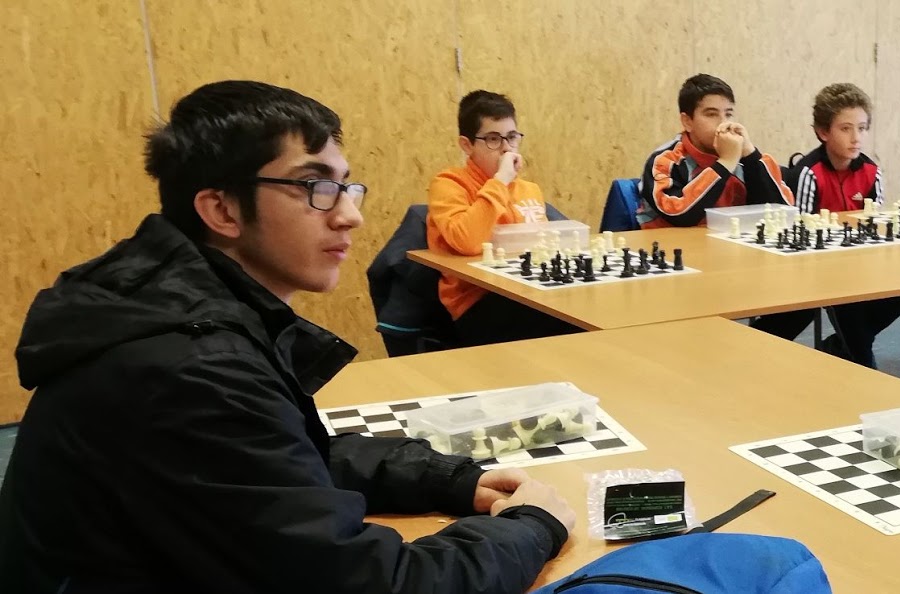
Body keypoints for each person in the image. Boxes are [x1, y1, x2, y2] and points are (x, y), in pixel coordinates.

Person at [0, 81, 576, 593]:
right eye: (313, 186)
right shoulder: (191, 368)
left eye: (346, 187)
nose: (349, 215)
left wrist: (455, 479)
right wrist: (532, 526)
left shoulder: (181, 306)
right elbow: (367, 582)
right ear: (222, 209)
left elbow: (282, 459)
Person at [755, 83, 900, 368]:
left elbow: (874, 226)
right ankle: (859, 359)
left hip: (860, 266)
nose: (856, 138)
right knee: (848, 308)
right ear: (823, 132)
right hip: (819, 271)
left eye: (862, 128)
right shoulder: (810, 173)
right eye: (846, 129)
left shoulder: (871, 172)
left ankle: (845, 344)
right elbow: (801, 232)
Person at [428, 90, 581, 347]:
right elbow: (467, 240)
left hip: (531, 292)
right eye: (493, 139)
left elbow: (540, 250)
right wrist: (500, 181)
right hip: (478, 303)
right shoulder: (449, 185)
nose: (507, 148)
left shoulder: (529, 190)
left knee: (583, 312)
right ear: (467, 145)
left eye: (511, 137)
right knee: (569, 325)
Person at [636, 73, 795, 229]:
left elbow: (782, 212)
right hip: (672, 243)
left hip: (729, 242)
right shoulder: (665, 161)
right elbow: (679, 214)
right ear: (687, 121)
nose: (723, 123)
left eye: (728, 114)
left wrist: (751, 157)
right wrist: (725, 163)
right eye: (711, 114)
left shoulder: (745, 157)